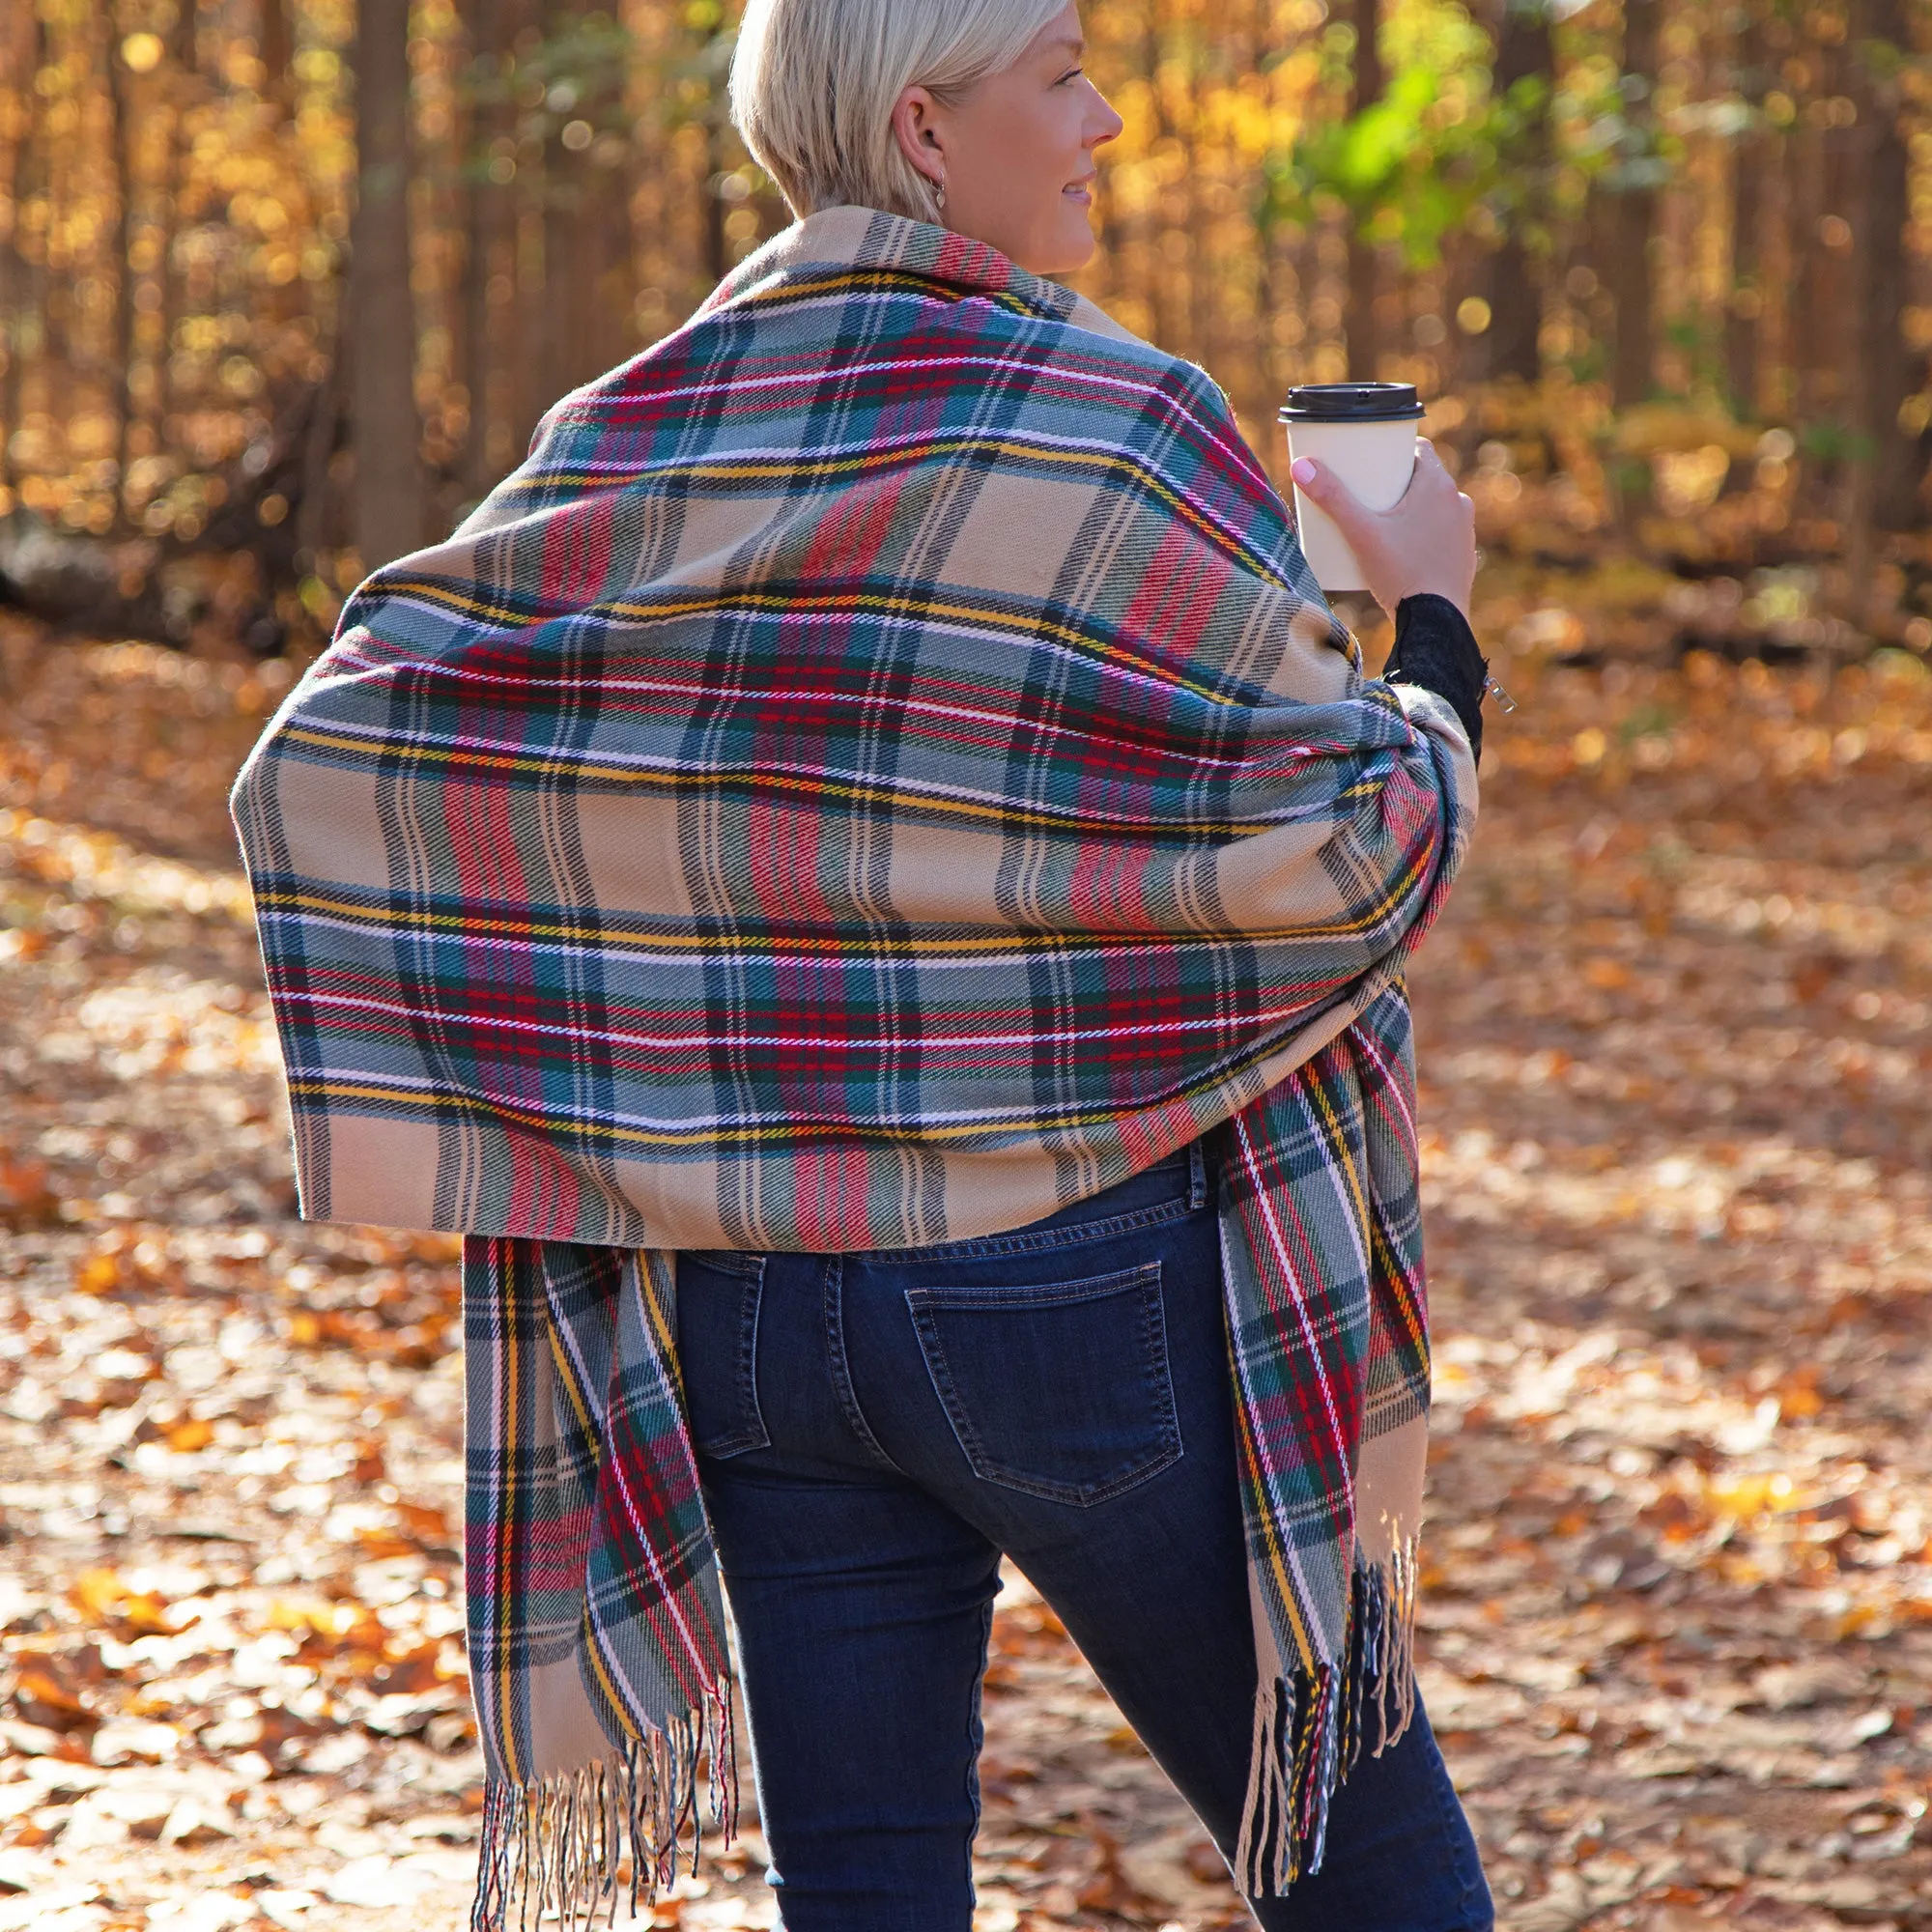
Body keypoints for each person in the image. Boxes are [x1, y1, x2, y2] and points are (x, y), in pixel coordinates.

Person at [229, 0, 1491, 1927]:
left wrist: (618, 1076)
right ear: (921, 127)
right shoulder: (1118, 419)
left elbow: (329, 758)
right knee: (1376, 1882)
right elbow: (1353, 852)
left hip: (749, 1310)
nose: (1110, 114)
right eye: (1060, 72)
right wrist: (1435, 629)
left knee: (866, 1894)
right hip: (1069, 1285)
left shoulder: (642, 424)